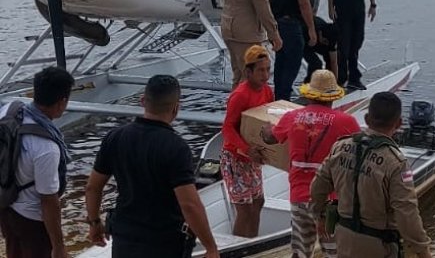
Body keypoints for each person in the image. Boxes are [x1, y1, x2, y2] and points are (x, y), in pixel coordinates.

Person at [85, 75, 219, 258]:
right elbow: (189, 204)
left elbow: (93, 186)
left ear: (143, 101)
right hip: (164, 242)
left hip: (125, 238)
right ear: (176, 108)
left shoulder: (115, 137)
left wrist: (94, 224)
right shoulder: (176, 147)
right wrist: (210, 247)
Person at [310, 92, 432, 258]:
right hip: (378, 245)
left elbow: (318, 187)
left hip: (344, 238)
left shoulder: (340, 147)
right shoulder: (396, 162)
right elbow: (406, 212)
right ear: (399, 124)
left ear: (367, 119)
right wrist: (423, 250)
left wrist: (320, 216)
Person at [261, 69, 361, 258]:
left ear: (310, 95)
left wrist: (267, 128)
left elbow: (269, 138)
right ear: (332, 97)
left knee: (300, 251)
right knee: (334, 252)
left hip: (298, 196)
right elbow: (360, 152)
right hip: (330, 200)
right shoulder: (346, 121)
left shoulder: (291, 117)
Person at [0, 66, 74, 258]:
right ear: (62, 102)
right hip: (31, 219)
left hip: (6, 205)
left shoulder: (9, 110)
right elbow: (49, 200)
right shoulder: (46, 147)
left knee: (13, 251)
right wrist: (58, 246)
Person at [220, 45, 274, 237]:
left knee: (258, 202)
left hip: (253, 158)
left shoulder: (267, 91)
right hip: (236, 158)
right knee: (244, 210)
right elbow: (227, 128)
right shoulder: (240, 95)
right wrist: (245, 148)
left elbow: (268, 120)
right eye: (260, 70)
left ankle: (252, 240)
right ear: (248, 72)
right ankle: (239, 248)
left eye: (268, 69)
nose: (265, 75)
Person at [268, 0, 317, 101]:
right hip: (291, 24)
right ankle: (284, 97)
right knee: (293, 62)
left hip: (275, 24)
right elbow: (304, 3)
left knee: (280, 61)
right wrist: (311, 28)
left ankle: (278, 97)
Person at [302, 16, 338, 83]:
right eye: (325, 41)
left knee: (329, 57)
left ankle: (328, 80)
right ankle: (308, 82)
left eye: (327, 42)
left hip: (316, 43)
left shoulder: (332, 38)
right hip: (303, 40)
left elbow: (333, 61)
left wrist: (335, 83)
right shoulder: (316, 24)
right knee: (316, 63)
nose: (326, 43)